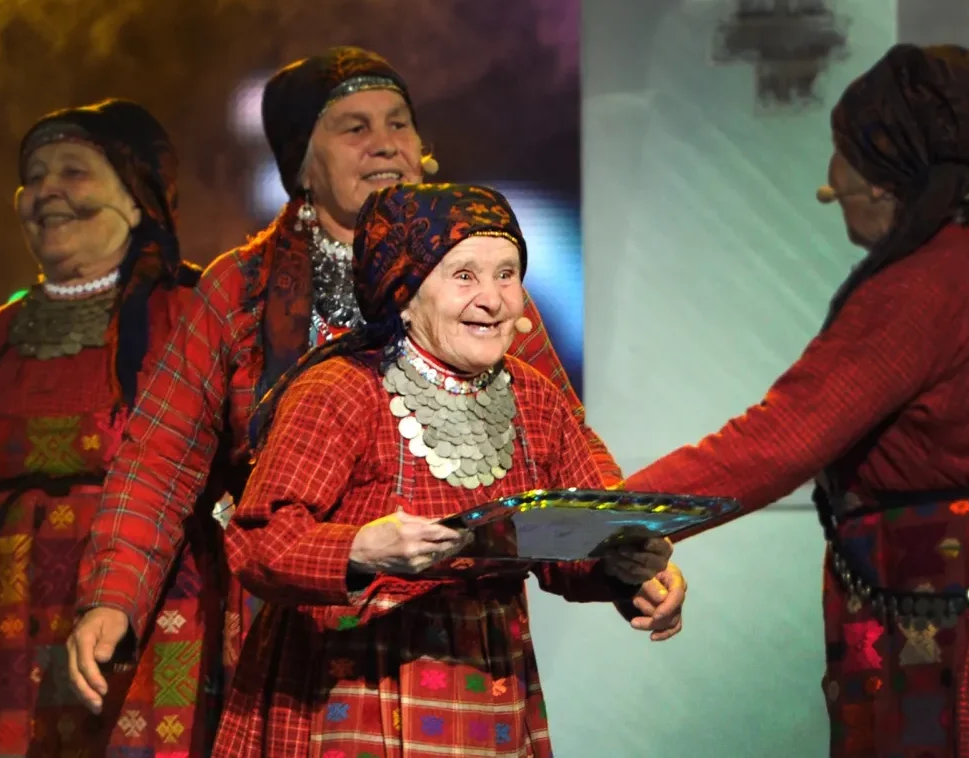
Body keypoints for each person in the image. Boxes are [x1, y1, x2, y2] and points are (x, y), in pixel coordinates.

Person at [69, 46, 628, 720]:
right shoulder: (240, 290)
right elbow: (160, 459)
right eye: (354, 127)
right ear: (301, 164)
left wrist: (622, 554)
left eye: (398, 123)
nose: (384, 144)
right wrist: (114, 596)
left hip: (462, 639)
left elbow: (561, 441)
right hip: (292, 610)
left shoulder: (479, 294)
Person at [626, 43, 969, 757]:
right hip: (964, 619)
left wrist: (597, 520)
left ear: (889, 180)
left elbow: (777, 441)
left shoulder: (928, 289)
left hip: (965, 642)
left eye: (847, 156)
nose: (831, 182)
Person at [211, 182, 685, 757]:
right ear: (405, 294)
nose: (493, 299)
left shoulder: (536, 400)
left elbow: (573, 540)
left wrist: (629, 570)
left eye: (506, 274)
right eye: (464, 276)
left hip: (488, 690)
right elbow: (259, 543)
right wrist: (360, 549)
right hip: (351, 685)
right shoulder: (341, 389)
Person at [0, 99, 205, 756]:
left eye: (73, 172)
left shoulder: (192, 317)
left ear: (136, 200)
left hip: (156, 620)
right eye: (34, 178)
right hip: (3, 628)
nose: (47, 193)